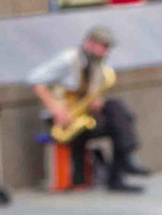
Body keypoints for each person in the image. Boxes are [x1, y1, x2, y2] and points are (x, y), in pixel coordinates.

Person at [26, 25, 148, 193]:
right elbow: (34, 79)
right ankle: (125, 163)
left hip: (82, 117)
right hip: (61, 120)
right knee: (118, 116)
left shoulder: (99, 65)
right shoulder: (68, 58)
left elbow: (91, 95)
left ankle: (123, 165)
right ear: (90, 43)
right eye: (104, 47)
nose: (106, 52)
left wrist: (95, 101)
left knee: (118, 111)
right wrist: (55, 107)